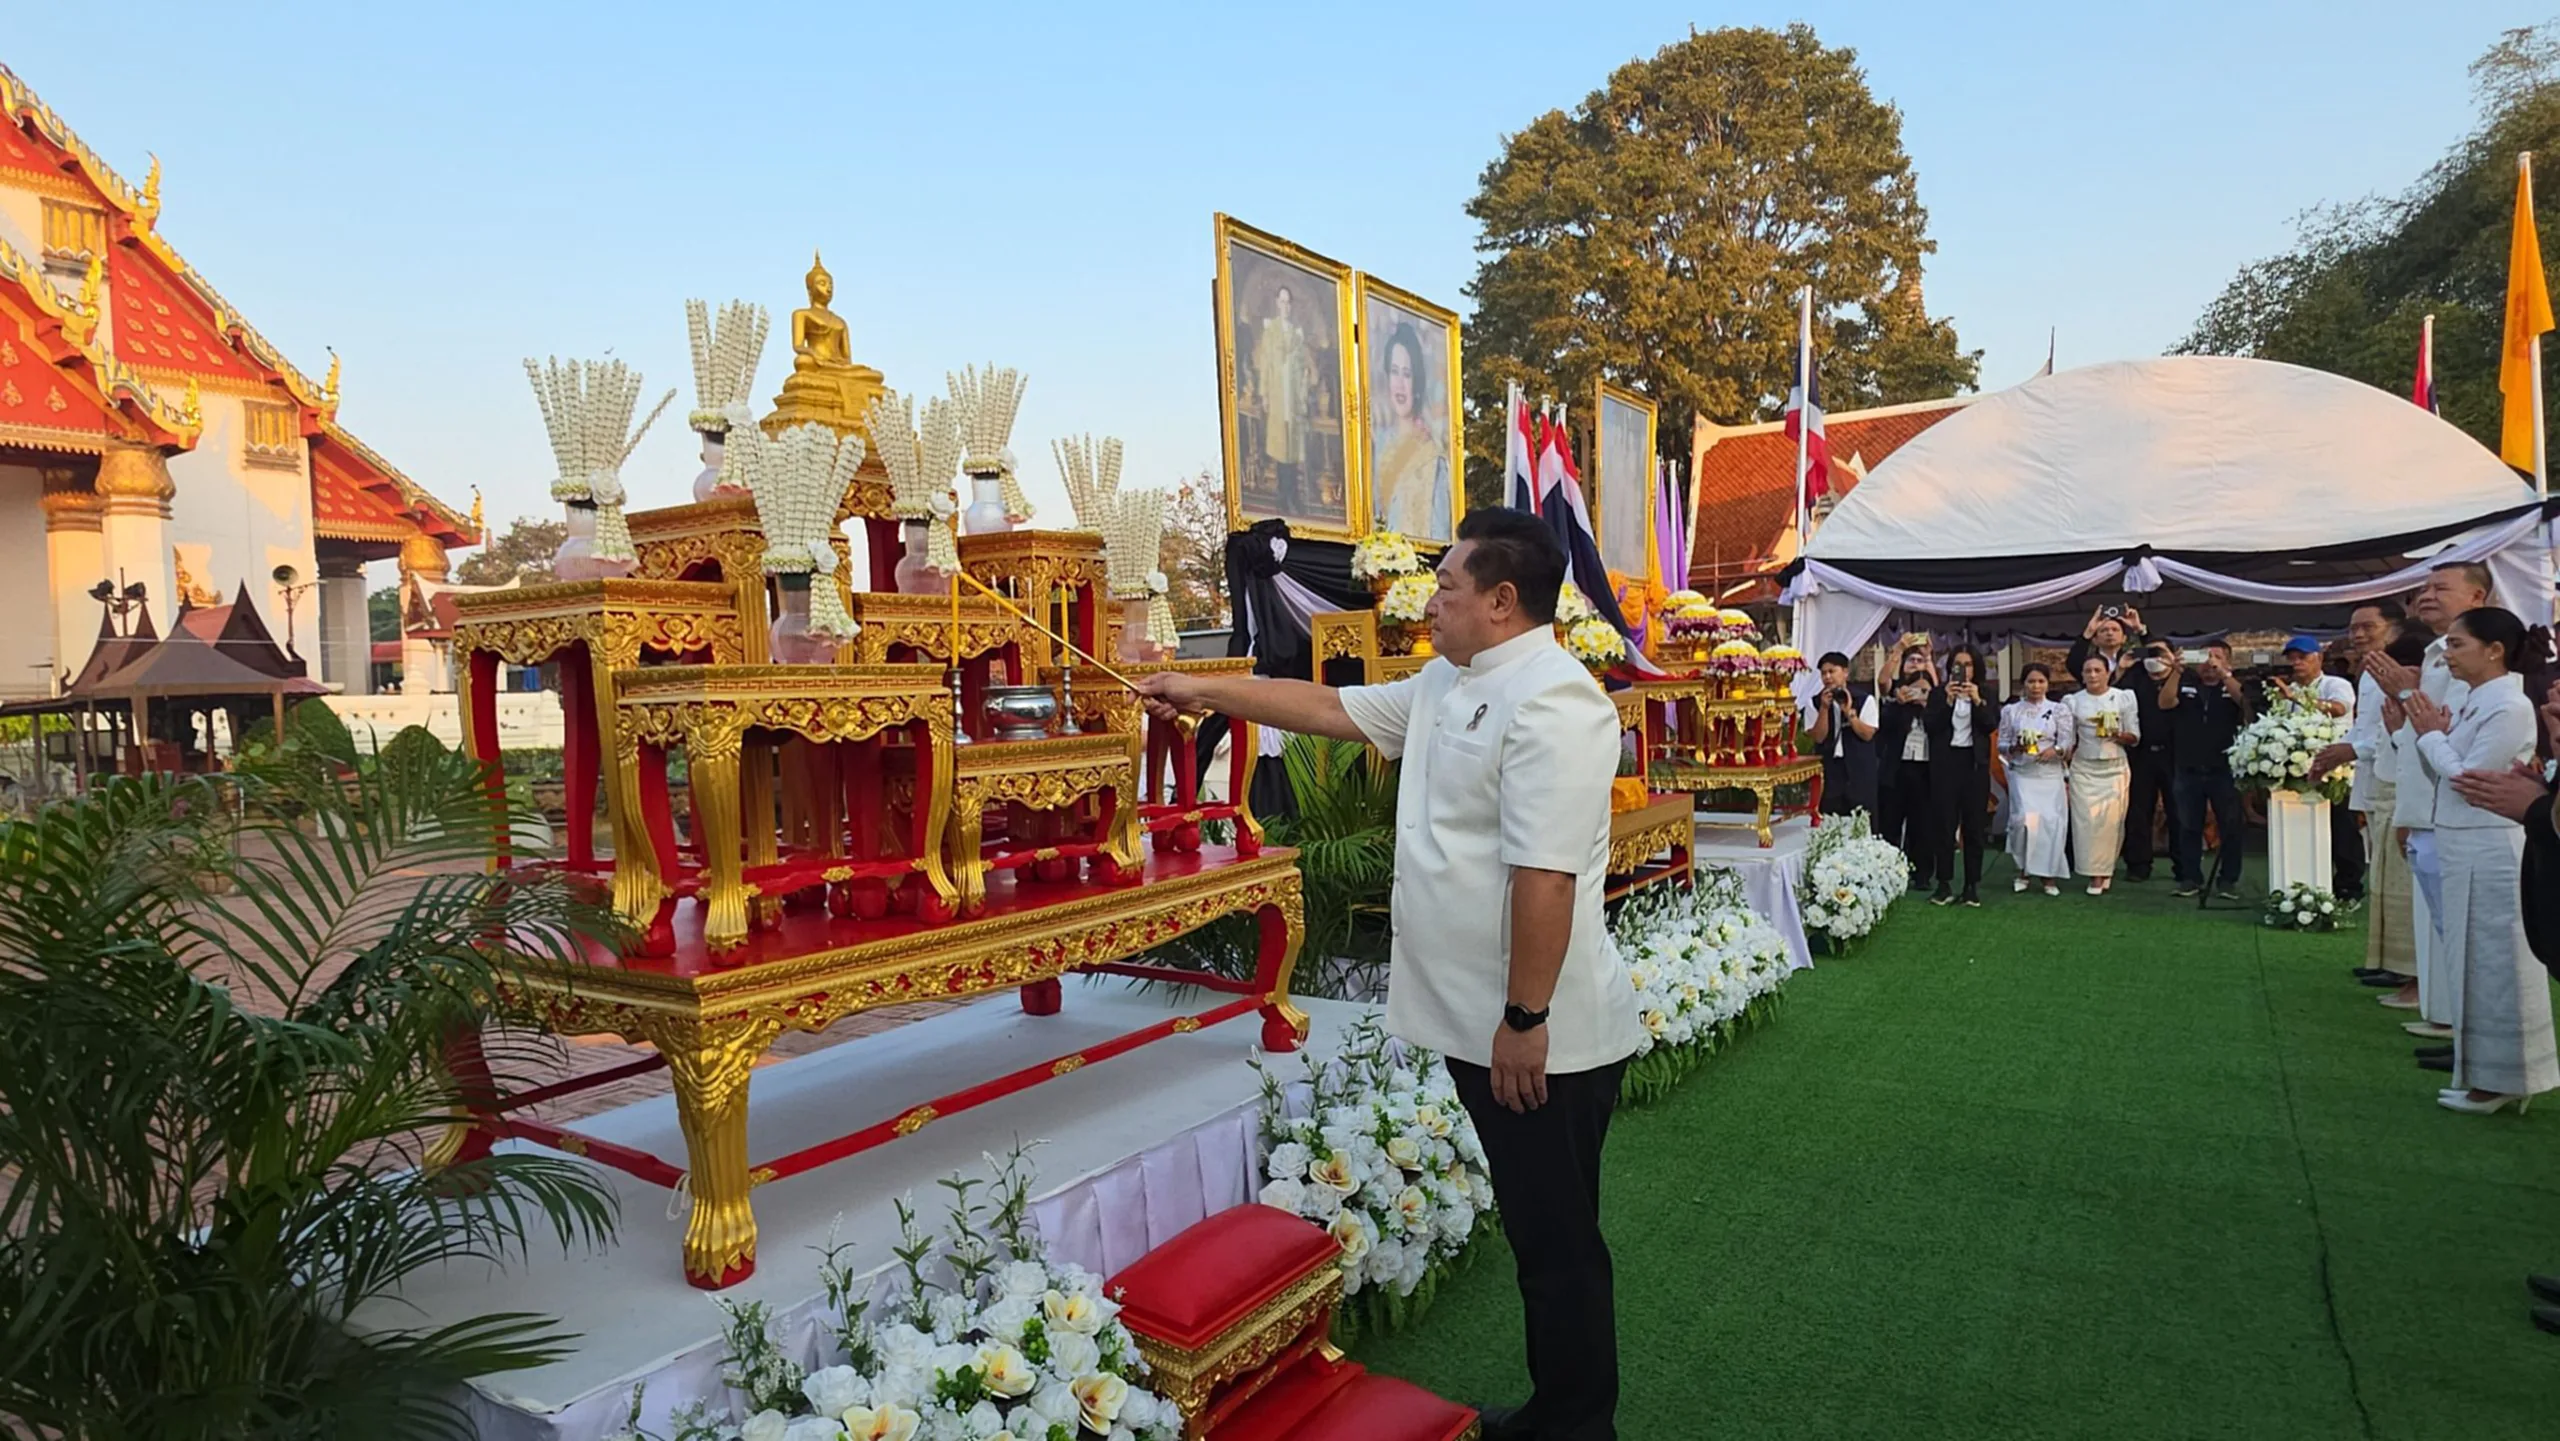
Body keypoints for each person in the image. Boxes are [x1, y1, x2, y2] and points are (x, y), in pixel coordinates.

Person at [1133, 507, 1640, 1440]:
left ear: (1501, 599)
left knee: (1559, 1242)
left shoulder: (1554, 700)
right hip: (1489, 1020)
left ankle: (1577, 1424)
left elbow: (1546, 875)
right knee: (1542, 1231)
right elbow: (1331, 710)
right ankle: (1562, 1410)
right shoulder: (1450, 681)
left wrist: (1525, 1018)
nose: (1429, 604)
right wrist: (1200, 687)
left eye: (1446, 587)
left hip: (1542, 1035)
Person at [2403, 606, 2558, 1115]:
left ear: (2494, 651)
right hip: (2463, 840)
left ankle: (2508, 1079)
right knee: (2469, 961)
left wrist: (2431, 735)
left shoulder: (2509, 705)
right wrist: (2431, 736)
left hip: (2491, 846)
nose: (2447, 655)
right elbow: (2445, 772)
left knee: (2498, 964)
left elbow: (2470, 780)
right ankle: (2483, 1075)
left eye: (2457, 644)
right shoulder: (2476, 699)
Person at [2365, 561, 2497, 1020]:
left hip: (2457, 810)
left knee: (2463, 932)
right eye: (2424, 588)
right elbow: (2423, 735)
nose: (2426, 596)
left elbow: (2448, 735)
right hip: (2427, 804)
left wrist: (2407, 695)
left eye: (2441, 588)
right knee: (2441, 925)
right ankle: (2448, 1019)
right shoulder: (2435, 652)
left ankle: (2459, 1022)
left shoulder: (2481, 667)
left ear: (2476, 598)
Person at [2161, 641, 2251, 899]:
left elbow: (2246, 704)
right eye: (2205, 656)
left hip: (2224, 769)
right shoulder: (2186, 683)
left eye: (2216, 657)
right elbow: (2165, 703)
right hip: (2187, 767)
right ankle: (2190, 878)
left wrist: (2224, 675)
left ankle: (2228, 880)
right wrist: (2176, 671)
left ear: (2228, 662)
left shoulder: (2232, 686)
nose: (2209, 662)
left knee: (2230, 826)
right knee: (2188, 825)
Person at [1926, 646, 1999, 906]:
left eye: (1968, 665)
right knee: (1944, 825)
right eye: (1958, 665)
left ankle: (1971, 885)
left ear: (1975, 668)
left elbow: (1990, 724)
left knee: (1974, 827)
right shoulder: (1938, 693)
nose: (1963, 670)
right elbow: (1931, 726)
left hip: (1974, 765)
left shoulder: (1986, 693)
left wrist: (1977, 700)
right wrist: (1947, 701)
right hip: (1945, 765)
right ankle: (1943, 883)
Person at [2064, 654, 2140, 894]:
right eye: (2088, 671)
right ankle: (2093, 874)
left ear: (2108, 673)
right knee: (2086, 822)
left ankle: (2104, 871)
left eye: (2098, 670)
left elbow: (2135, 736)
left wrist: (2117, 734)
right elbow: (2068, 741)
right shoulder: (2072, 701)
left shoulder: (2123, 697)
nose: (2093, 675)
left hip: (2114, 767)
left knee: (2110, 822)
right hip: (2084, 768)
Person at [1370, 321, 1451, 540]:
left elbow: (1441, 532)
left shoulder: (1432, 457)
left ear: (1417, 382)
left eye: (1407, 374)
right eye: (1394, 372)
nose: (1400, 384)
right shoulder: (1378, 444)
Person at [1998, 662, 2074, 895]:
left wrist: (2055, 750)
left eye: (2041, 681)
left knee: (2050, 823)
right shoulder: (2011, 711)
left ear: (2047, 684)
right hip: (2024, 774)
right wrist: (2016, 747)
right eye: (2031, 681)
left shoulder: (2059, 710)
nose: (2036, 686)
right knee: (2024, 822)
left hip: (2049, 774)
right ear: (2024, 684)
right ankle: (2024, 870)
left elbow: (2067, 742)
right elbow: (2001, 744)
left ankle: (2048, 876)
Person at [1872, 644, 1942, 892]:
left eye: (1924, 690)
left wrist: (1928, 705)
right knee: (1890, 821)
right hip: (1897, 770)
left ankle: (1922, 874)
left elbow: (1939, 728)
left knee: (1922, 825)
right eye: (1916, 690)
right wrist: (1901, 703)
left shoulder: (1936, 711)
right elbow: (1884, 693)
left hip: (1925, 771)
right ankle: (1888, 870)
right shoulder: (1896, 706)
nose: (1919, 694)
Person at [1801, 650, 1879, 817]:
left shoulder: (1864, 699)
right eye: (1823, 673)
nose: (1827, 677)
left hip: (1859, 766)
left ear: (1845, 672)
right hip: (1831, 767)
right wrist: (1824, 708)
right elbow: (1818, 737)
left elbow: (1867, 734)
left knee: (1862, 816)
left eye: (1832, 671)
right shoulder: (1814, 702)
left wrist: (1849, 713)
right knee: (1831, 816)